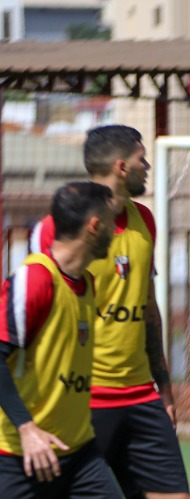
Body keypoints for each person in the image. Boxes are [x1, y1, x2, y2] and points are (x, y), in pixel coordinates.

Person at [31, 125, 190, 499]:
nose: (147, 165)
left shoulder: (145, 220)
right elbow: (41, 315)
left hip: (140, 396)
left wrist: (164, 389)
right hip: (84, 400)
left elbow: (148, 310)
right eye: (141, 158)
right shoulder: (58, 228)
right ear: (122, 167)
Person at [0, 181, 123, 498]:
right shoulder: (36, 279)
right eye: (111, 223)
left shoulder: (87, 283)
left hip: (79, 454)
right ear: (94, 226)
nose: (116, 232)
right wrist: (27, 429)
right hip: (18, 457)